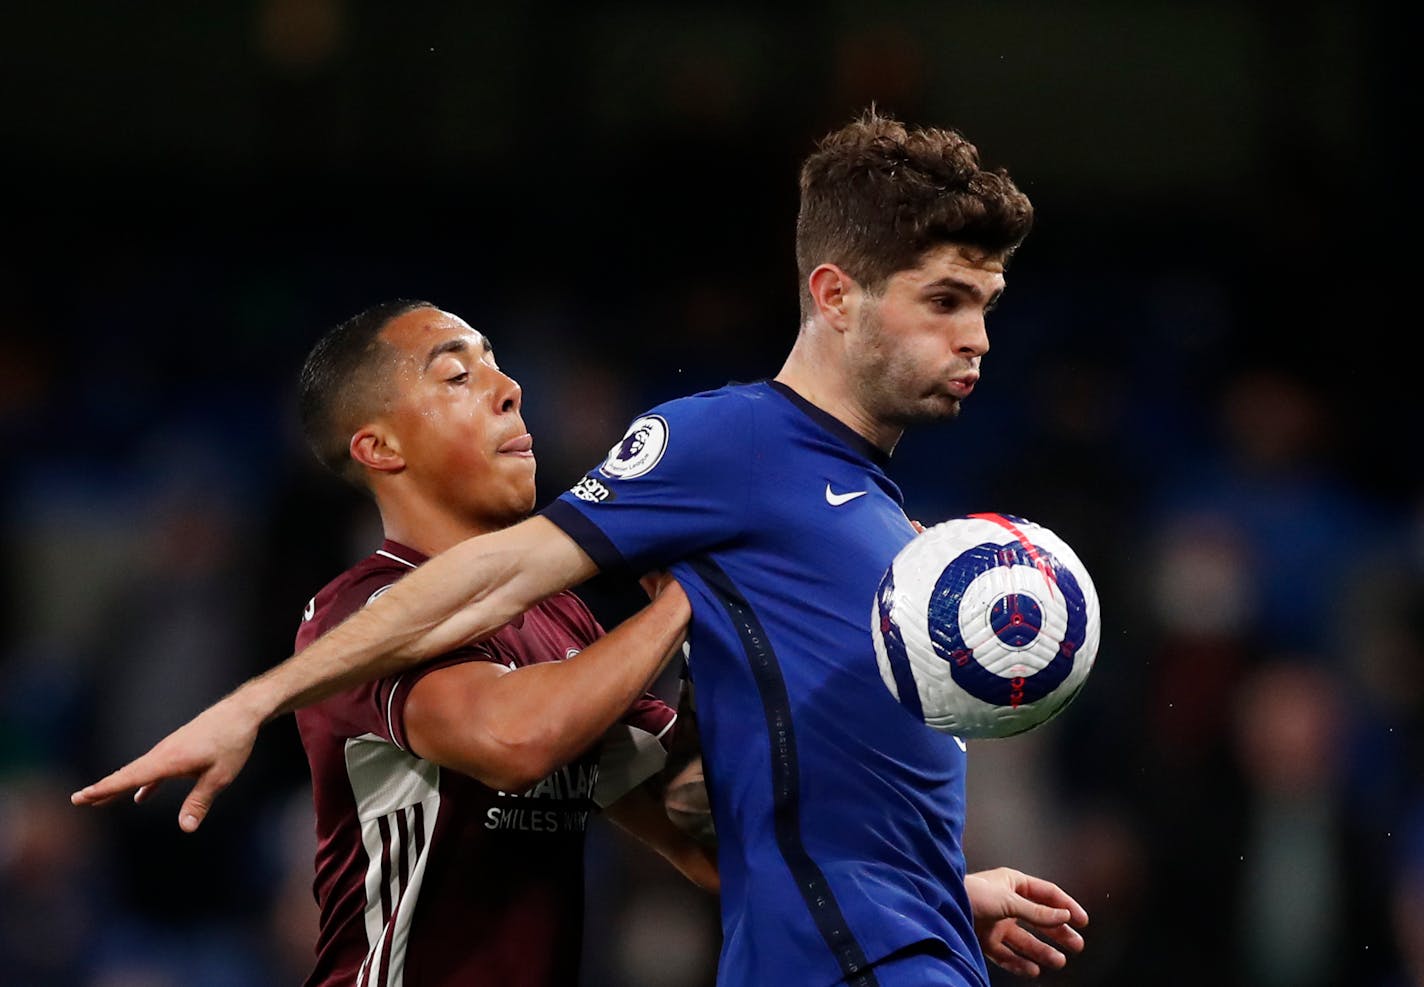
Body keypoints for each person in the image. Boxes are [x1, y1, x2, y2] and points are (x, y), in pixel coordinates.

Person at [76, 109, 1089, 985]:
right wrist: (253, 700)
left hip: (899, 944)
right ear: (831, 295)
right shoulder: (733, 448)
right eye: (947, 301)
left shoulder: (810, 527)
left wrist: (941, 892)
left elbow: (698, 823)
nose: (978, 341)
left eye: (986, 308)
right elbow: (513, 710)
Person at [227, 299, 718, 985]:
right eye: (458, 375)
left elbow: (701, 841)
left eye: (497, 364)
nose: (509, 388)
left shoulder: (565, 623)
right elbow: (515, 740)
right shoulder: (361, 614)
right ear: (380, 447)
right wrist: (687, 598)